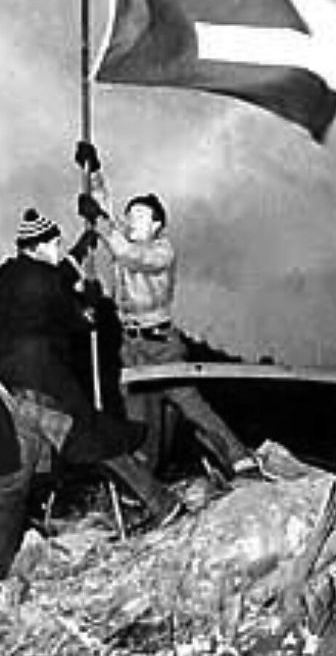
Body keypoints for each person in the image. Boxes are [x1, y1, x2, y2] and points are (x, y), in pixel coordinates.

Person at [0, 206, 182, 580]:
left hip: (10, 390)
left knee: (11, 475)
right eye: (55, 242)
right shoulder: (40, 283)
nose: (59, 247)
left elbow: (56, 273)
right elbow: (78, 319)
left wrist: (84, 242)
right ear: (39, 245)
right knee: (91, 445)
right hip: (40, 389)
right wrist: (88, 302)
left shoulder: (10, 273)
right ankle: (164, 505)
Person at [75, 143, 264, 481]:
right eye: (129, 215)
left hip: (160, 344)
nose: (131, 220)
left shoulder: (162, 252)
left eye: (140, 216)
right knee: (137, 419)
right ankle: (145, 483)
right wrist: (94, 170)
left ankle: (240, 460)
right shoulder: (125, 239)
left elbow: (127, 254)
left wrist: (100, 223)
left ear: (157, 224)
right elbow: (105, 211)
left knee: (188, 403)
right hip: (131, 345)